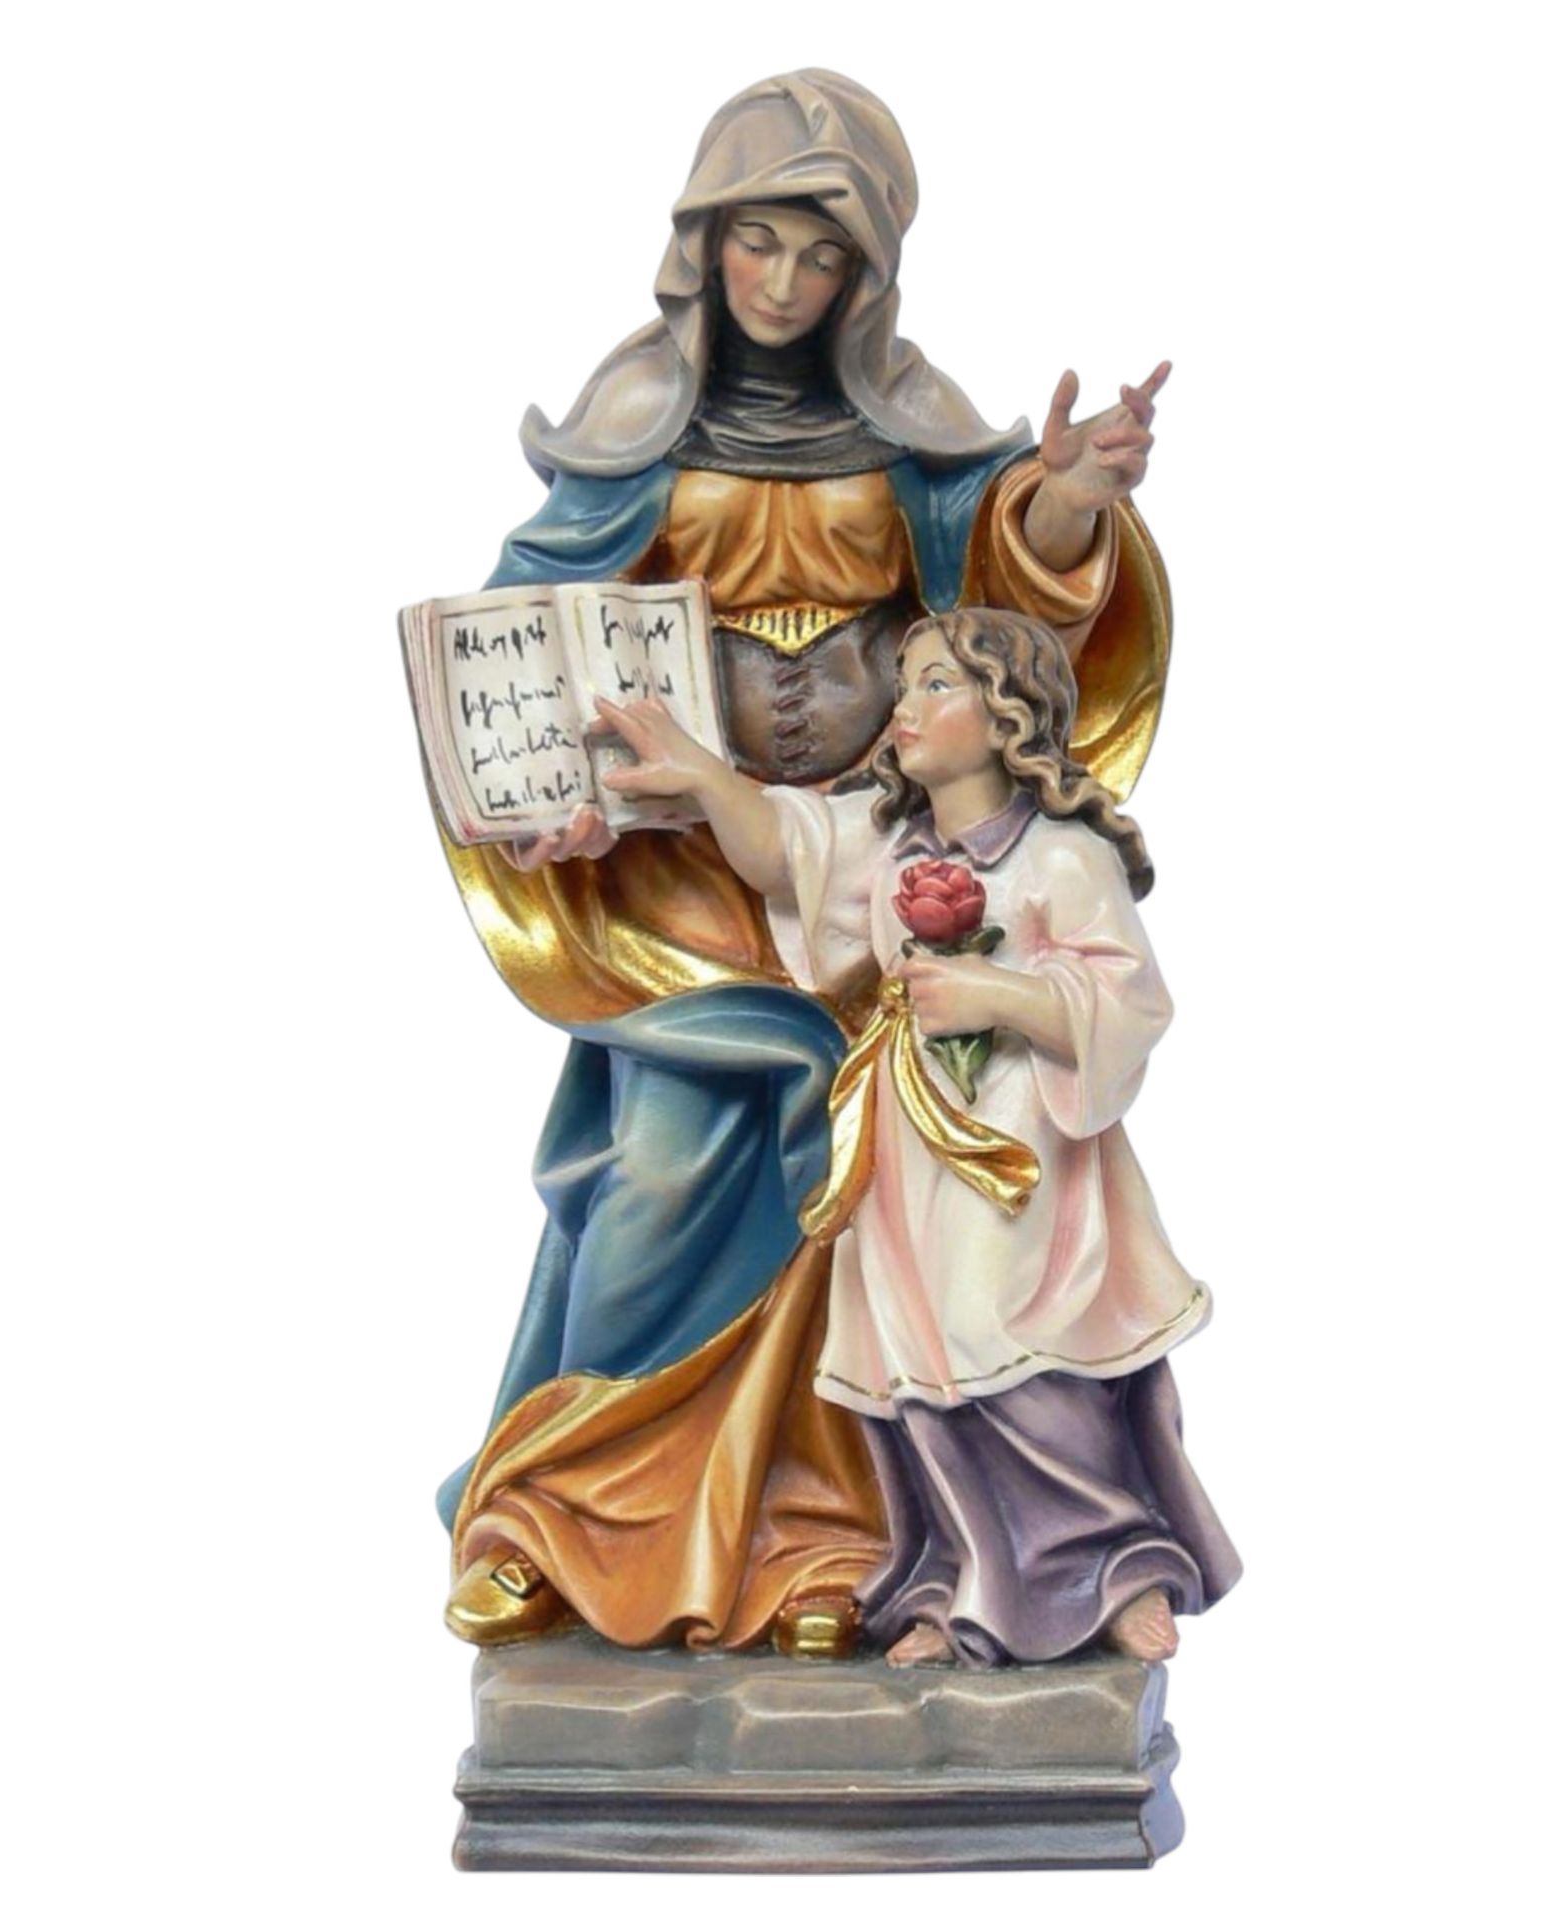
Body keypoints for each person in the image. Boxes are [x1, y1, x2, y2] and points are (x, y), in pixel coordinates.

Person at [434, 69, 1181, 1656]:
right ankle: (560, 1515)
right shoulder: (633, 426)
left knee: (880, 1198)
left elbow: (1010, 603)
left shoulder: (911, 433)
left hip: (872, 863)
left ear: (869, 272)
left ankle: (833, 1541)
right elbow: (523, 642)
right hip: (688, 870)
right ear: (702, 245)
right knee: (664, 1172)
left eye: (823, 256)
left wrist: (1065, 504)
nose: (783, 285)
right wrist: (552, 799)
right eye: (758, 244)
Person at [593, 606, 1240, 1666]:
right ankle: (956, 1583)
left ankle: (1112, 1566)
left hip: (1022, 1147)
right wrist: (706, 778)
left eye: (938, 685)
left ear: (1008, 716)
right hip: (908, 1141)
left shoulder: (1064, 856)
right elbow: (784, 849)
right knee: (917, 1353)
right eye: (906, 686)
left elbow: (1132, 1002)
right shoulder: (888, 838)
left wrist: (1002, 994)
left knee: (1013, 1333)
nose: (906, 707)